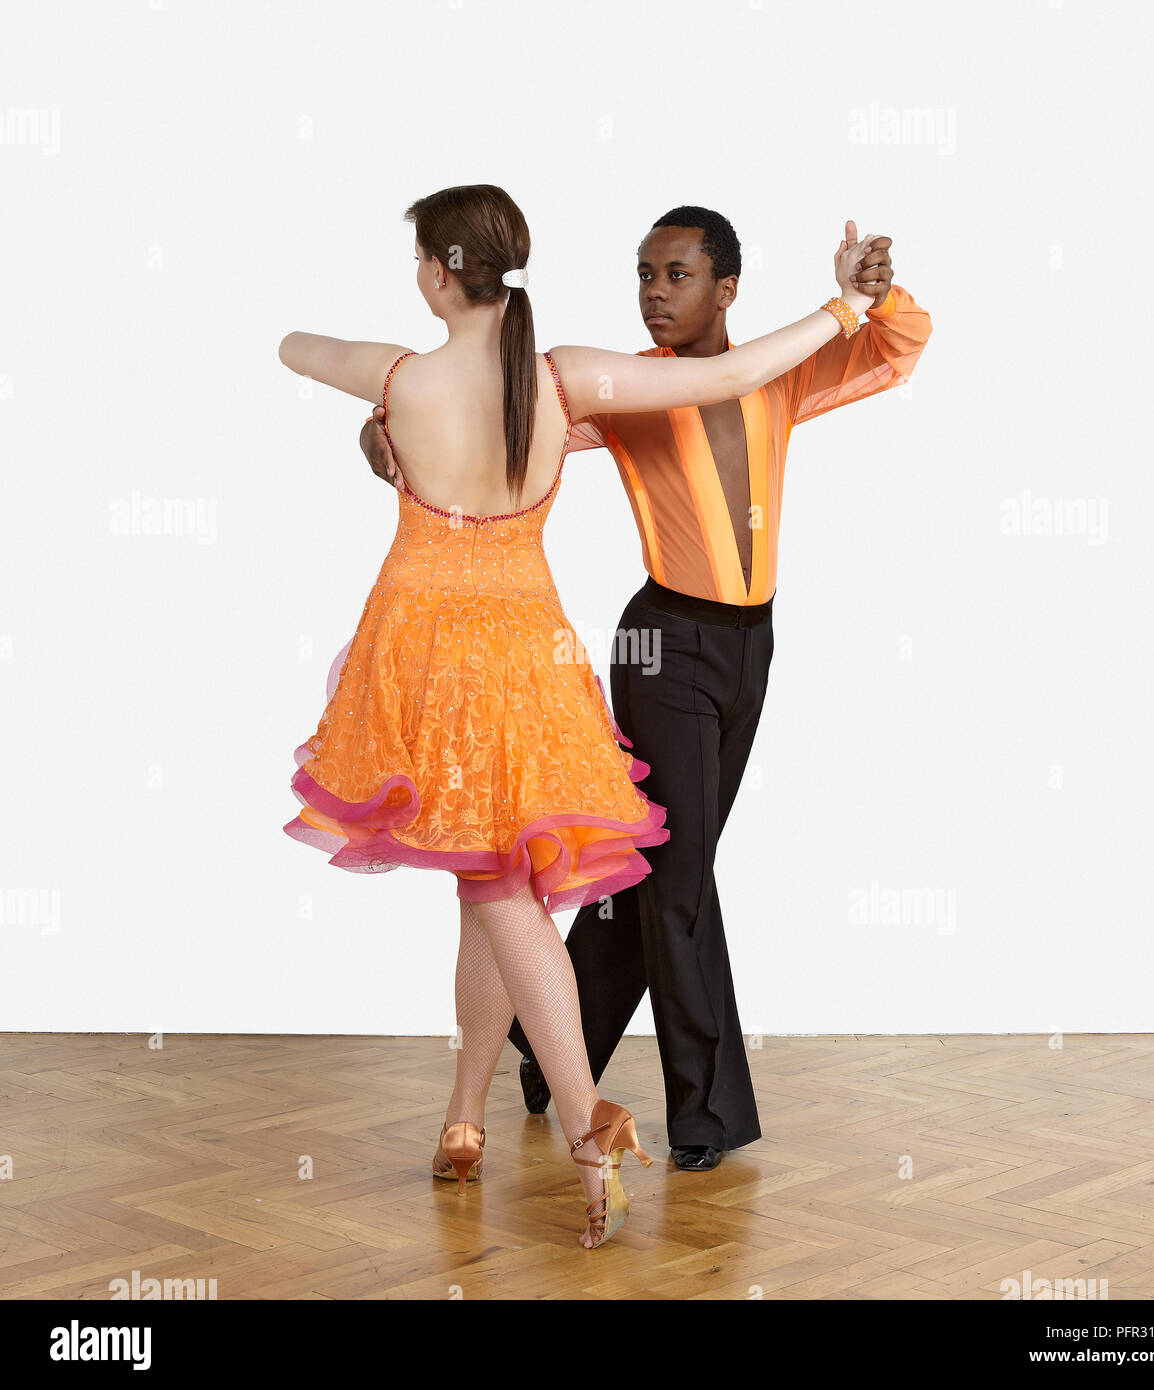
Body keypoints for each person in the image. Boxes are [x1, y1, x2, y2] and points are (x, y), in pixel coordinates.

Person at [281, 184, 879, 1246]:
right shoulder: (560, 378)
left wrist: (378, 412)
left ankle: (579, 1112)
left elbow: (291, 345)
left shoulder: (402, 376)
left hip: (428, 662)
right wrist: (837, 309)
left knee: (496, 882)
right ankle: (468, 1115)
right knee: (489, 885)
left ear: (433, 272)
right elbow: (735, 371)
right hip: (531, 659)